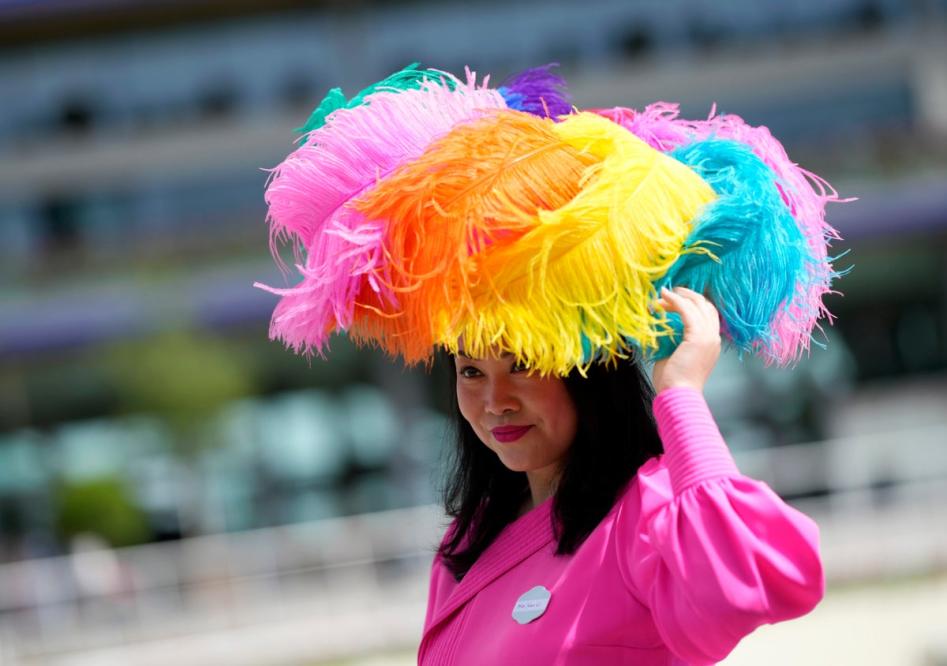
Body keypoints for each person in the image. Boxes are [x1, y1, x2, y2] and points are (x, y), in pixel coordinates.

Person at [419, 286, 825, 665]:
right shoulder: (468, 539)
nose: (495, 402)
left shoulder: (649, 509)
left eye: (523, 364)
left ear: (591, 370)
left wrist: (680, 393)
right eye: (471, 371)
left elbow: (748, 589)